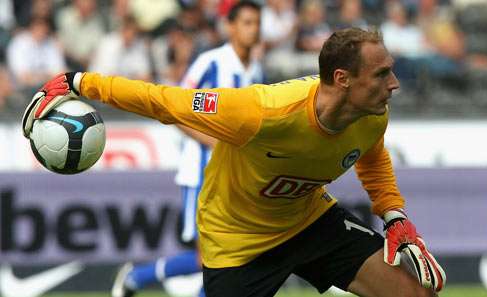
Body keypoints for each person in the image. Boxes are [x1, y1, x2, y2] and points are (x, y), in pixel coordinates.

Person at [22, 27, 446, 297]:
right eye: (382, 74)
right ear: (342, 79)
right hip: (236, 245)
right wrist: (79, 81)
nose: (394, 84)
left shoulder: (372, 114)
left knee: (414, 294)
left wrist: (393, 214)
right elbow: (164, 101)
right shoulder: (259, 111)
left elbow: (371, 160)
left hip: (309, 223)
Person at [110, 2, 263, 297]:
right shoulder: (212, 63)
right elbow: (175, 107)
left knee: (233, 255)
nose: (252, 29)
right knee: (210, 257)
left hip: (236, 175)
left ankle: (138, 277)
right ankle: (137, 277)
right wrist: (214, 142)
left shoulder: (255, 69)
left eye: (256, 22)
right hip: (202, 170)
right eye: (246, 22)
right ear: (229, 27)